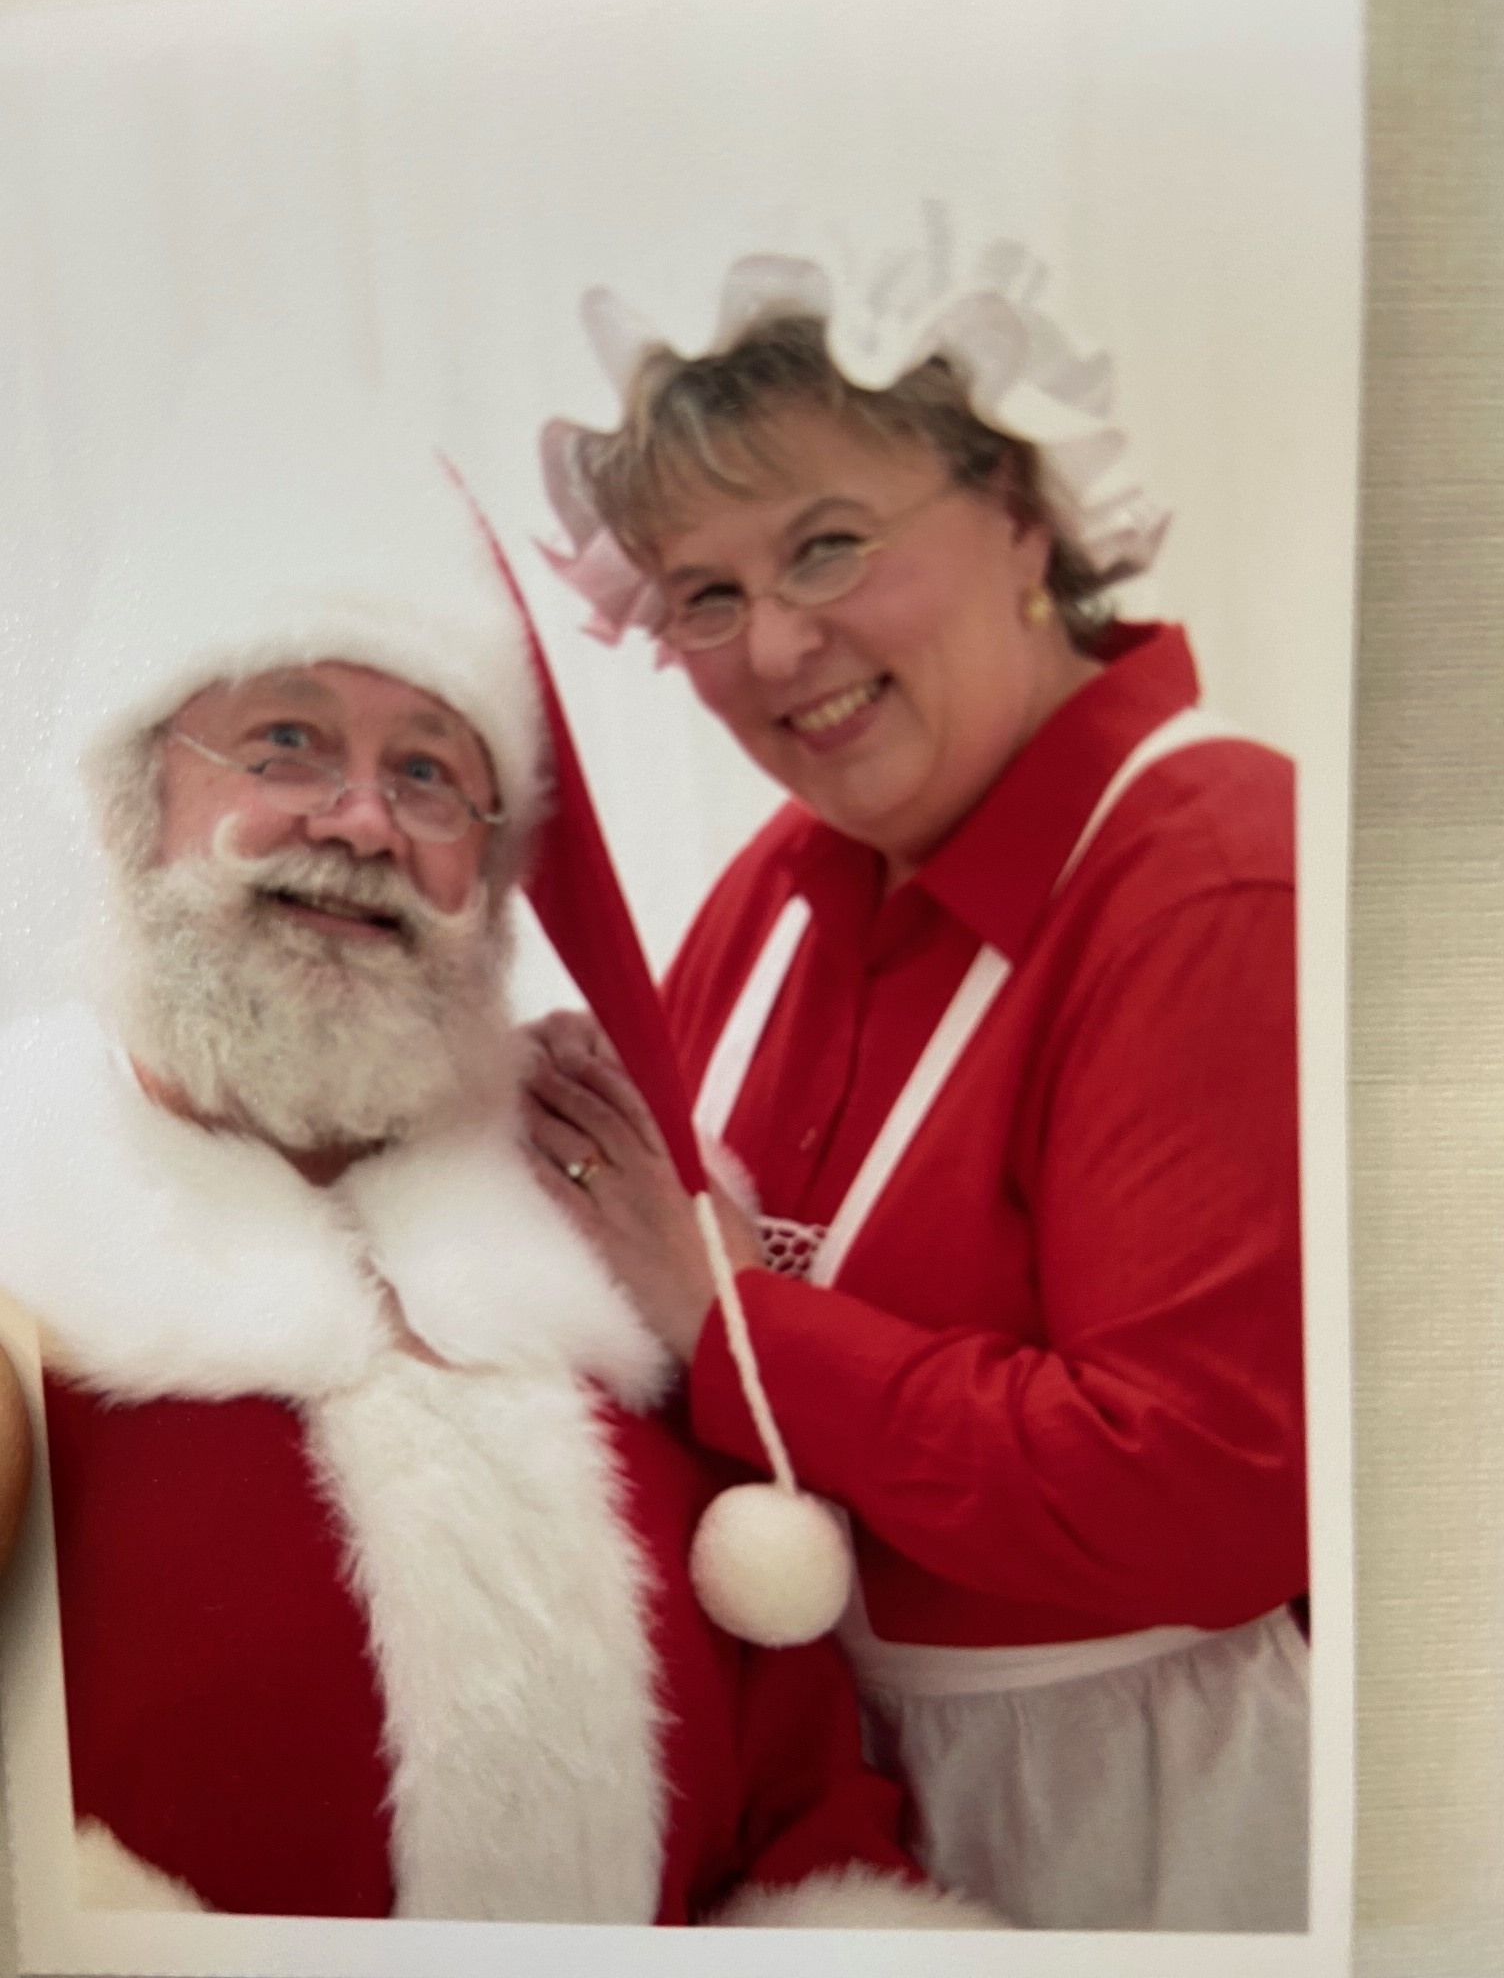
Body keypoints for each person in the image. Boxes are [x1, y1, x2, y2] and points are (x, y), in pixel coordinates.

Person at [0, 401, 994, 1929]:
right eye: (287, 742)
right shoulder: (26, 1233)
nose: (362, 823)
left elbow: (806, 1803)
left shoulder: (605, 1215)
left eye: (429, 775)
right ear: (143, 796)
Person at [527, 217, 1310, 1931]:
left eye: (828, 547)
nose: (777, 649)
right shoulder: (782, 884)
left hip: (1124, 1817)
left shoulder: (1209, 866)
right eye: (708, 596)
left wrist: (733, 1323)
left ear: (1023, 516)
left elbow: (1197, 1498)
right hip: (828, 1792)